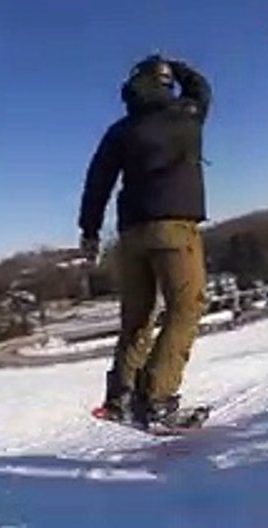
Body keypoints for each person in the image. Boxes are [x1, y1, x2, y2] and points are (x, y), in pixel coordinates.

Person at [77, 53, 211, 430]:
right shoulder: (187, 113)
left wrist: (89, 231)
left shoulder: (120, 130)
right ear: (166, 83)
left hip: (130, 234)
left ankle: (119, 396)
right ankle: (155, 398)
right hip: (174, 228)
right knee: (187, 306)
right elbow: (202, 87)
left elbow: (97, 182)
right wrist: (175, 64)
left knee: (136, 318)